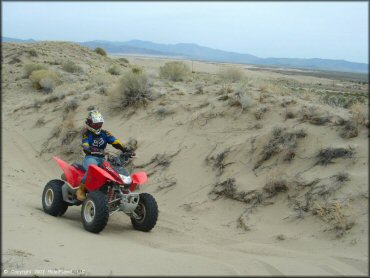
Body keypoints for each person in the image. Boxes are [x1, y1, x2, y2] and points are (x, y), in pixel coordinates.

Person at [76, 110, 134, 201]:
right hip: (90, 158)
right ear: (89, 123)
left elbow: (115, 142)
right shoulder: (86, 134)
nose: (98, 126)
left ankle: (115, 191)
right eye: (95, 124)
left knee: (114, 169)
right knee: (93, 168)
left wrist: (126, 149)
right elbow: (85, 145)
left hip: (103, 159)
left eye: (100, 124)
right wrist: (91, 149)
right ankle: (81, 189)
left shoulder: (105, 133)